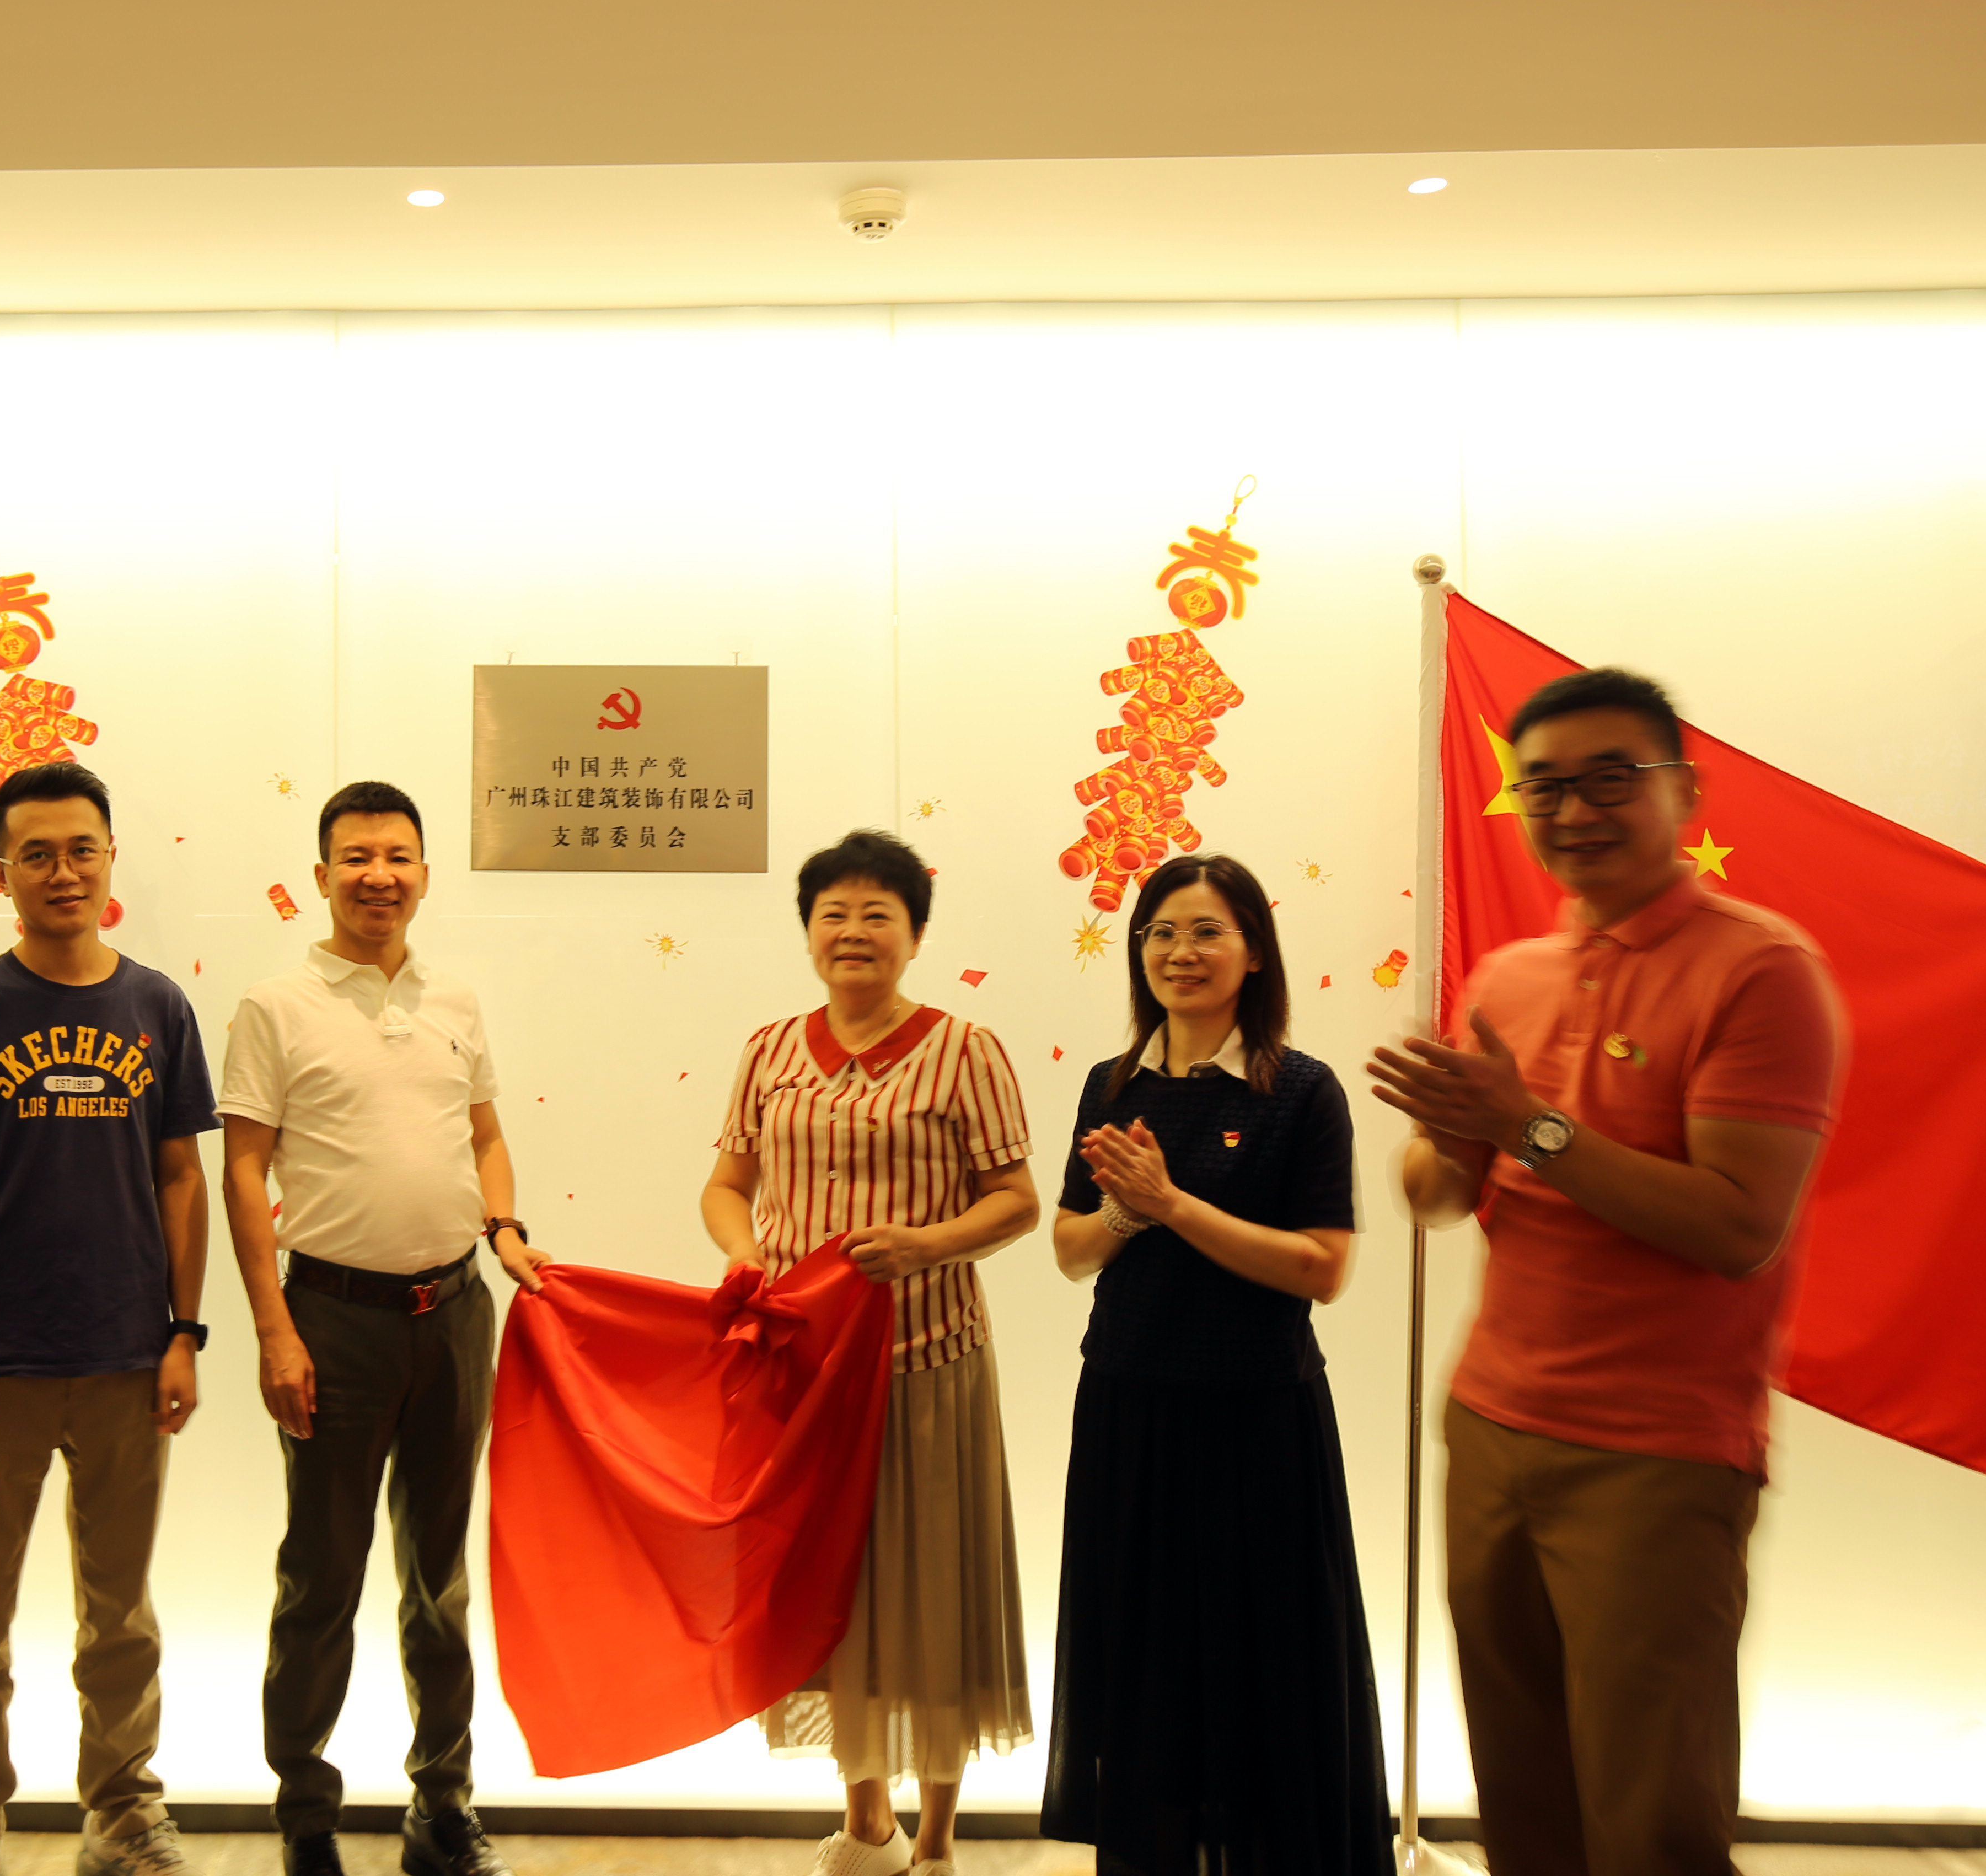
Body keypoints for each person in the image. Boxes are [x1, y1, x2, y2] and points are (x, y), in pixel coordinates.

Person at [1369, 667, 1845, 1876]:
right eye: (1544, 787)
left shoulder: (1762, 971)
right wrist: (1448, 1138)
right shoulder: (1509, 977)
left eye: (1611, 778)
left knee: (1651, 1818)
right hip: (1490, 1423)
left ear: (1686, 792)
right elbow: (1438, 1199)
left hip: (1657, 1449)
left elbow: (1738, 1226)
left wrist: (1525, 1125)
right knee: (1523, 1793)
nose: (1574, 810)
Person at [0, 762, 219, 1876]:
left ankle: (123, 1813)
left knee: (120, 1618)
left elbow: (181, 1178)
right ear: (3, 874)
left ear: (112, 860)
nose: (63, 871)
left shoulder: (157, 1007)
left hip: (128, 1359)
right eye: (37, 854)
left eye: (82, 850)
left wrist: (183, 1333)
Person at [219, 780, 550, 1876]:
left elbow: (485, 1133)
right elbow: (243, 1171)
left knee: (439, 1578)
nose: (379, 876)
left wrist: (503, 1228)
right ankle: (306, 1817)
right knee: (321, 1577)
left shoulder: (454, 999)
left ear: (424, 874)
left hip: (454, 1315)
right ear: (322, 877)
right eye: (357, 858)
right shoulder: (276, 1005)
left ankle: (441, 1808)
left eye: (398, 857)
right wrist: (275, 1331)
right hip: (333, 1320)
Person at [1038, 853, 1389, 1874]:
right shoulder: (1112, 1086)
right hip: (1129, 1413)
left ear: (1254, 954)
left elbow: (1323, 1269)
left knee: (1264, 1667)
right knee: (1145, 1670)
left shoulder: (1301, 1090)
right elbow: (1070, 1250)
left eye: (1206, 932)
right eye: (1161, 933)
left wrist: (1172, 1205)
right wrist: (1126, 1213)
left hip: (1257, 1423)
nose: (1180, 953)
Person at [695, 829, 1037, 1876]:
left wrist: (925, 1245)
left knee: (934, 1591)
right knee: (827, 1590)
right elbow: (727, 1186)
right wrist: (746, 1252)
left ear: (915, 936)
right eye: (832, 914)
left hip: (928, 1360)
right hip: (803, 1370)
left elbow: (1017, 1201)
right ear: (808, 934)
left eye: (877, 914)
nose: (853, 931)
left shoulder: (965, 1050)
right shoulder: (769, 1050)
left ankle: (936, 1838)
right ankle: (867, 1822)